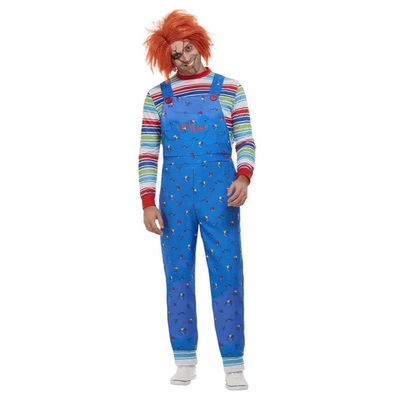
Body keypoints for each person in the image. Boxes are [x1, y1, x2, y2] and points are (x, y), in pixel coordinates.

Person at [138, 9, 256, 391]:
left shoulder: (231, 89)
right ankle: (184, 359)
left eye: (188, 49)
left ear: (199, 44)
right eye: (175, 55)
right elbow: (147, 153)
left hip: (221, 195)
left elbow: (245, 140)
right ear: (166, 59)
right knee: (177, 276)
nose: (185, 59)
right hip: (173, 199)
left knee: (227, 274)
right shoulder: (157, 97)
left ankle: (234, 363)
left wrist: (244, 177)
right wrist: (147, 201)